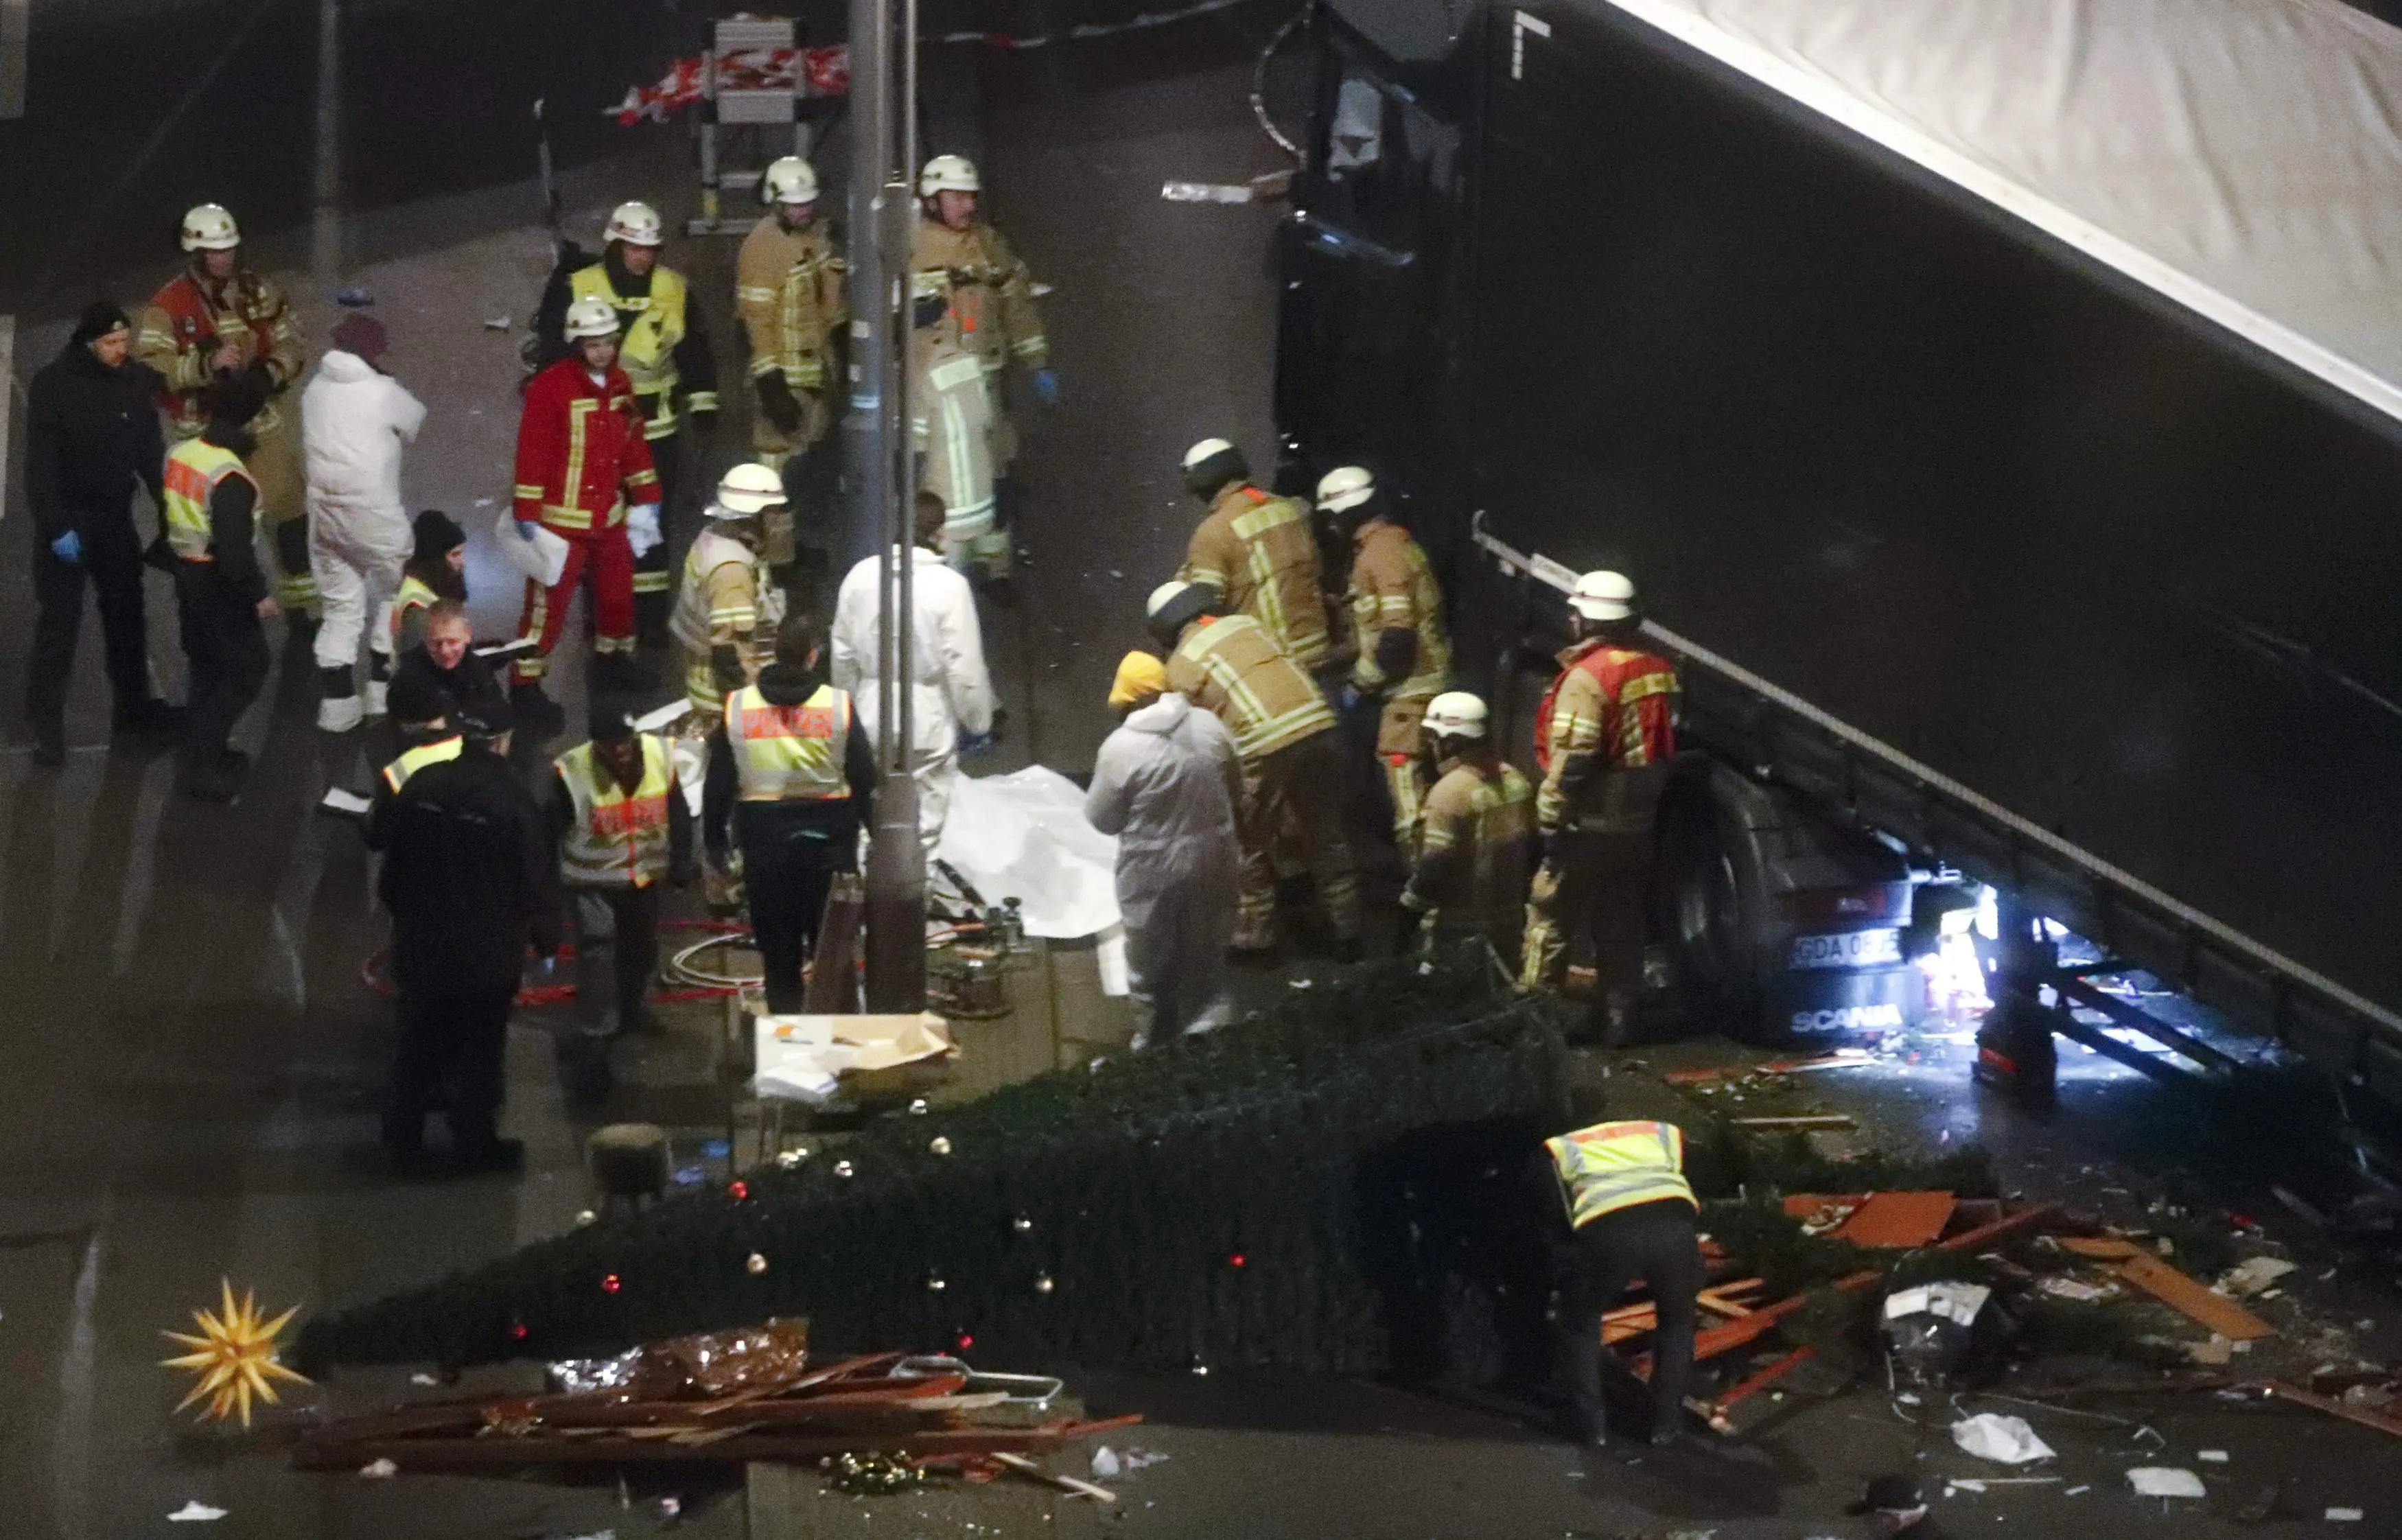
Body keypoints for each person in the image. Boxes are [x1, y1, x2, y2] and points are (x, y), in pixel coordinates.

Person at [366, 699, 559, 1175]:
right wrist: (546, 939)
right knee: (480, 1050)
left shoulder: (421, 786)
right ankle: (473, 1143)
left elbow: (391, 877)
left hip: (423, 946)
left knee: (416, 1044)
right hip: (486, 952)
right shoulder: (512, 799)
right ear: (502, 742)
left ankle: (402, 1144)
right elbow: (534, 880)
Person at [537, 200, 719, 642]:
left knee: (651, 523)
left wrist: (704, 402)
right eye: (634, 248)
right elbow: (553, 356)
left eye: (650, 249)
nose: (644, 257)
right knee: (596, 523)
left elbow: (695, 349)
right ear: (615, 246)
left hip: (656, 428)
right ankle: (603, 616)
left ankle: (649, 617)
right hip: (596, 431)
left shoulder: (674, 289)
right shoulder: (578, 286)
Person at [1147, 581, 1358, 959]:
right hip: (1318, 723)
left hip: (1263, 744)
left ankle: (1257, 939)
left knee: (1249, 840)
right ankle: (1349, 931)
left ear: (1166, 628)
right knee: (1327, 832)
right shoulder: (1250, 625)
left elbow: (1190, 732)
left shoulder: (1180, 664)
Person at [135, 202, 318, 628]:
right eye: (215, 252)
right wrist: (204, 366)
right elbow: (149, 367)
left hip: (261, 422)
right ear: (195, 254)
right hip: (205, 434)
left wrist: (268, 374)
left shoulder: (257, 291)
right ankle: (234, 607)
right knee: (220, 528)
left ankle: (302, 605)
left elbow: (291, 337)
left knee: (289, 507)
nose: (225, 258)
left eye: (230, 249)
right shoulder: (169, 306)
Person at [1521, 571, 1681, 1032]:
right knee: (1621, 922)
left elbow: (1576, 758)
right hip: (1637, 826)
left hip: (1586, 827)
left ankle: (1534, 1026)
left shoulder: (1587, 679)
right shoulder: (1659, 670)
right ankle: (1619, 1020)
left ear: (1584, 621)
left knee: (1550, 920)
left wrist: (1550, 817)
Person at [23, 300, 180, 765]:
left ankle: (133, 712)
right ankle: (45, 726)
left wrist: (168, 508)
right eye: (111, 342)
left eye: (123, 341)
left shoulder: (132, 384)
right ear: (90, 342)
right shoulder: (53, 385)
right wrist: (55, 526)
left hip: (113, 519)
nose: (120, 349)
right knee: (59, 627)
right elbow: (42, 465)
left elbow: (151, 453)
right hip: (70, 520)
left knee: (127, 619)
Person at [704, 614, 876, 1013]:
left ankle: (788, 1043)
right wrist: (876, 833)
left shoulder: (739, 708)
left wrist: (715, 842)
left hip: (765, 846)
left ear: (775, 655)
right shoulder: (837, 706)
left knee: (778, 951)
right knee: (831, 946)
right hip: (829, 844)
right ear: (813, 656)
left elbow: (718, 786)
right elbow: (864, 778)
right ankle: (838, 1040)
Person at [509, 293, 661, 725]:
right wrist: (528, 509)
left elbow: (633, 445)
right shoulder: (551, 389)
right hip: (560, 526)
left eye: (609, 342)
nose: (603, 351)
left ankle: (614, 665)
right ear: (577, 344)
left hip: (608, 520)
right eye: (594, 344)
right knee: (546, 610)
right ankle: (525, 687)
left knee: (617, 600)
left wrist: (647, 498)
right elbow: (534, 451)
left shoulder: (620, 386)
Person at [1085, 651, 1243, 1047]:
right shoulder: (1208, 725)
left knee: (1148, 956)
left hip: (1151, 868)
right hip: (1215, 854)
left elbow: (1102, 819)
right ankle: (1212, 1035)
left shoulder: (1120, 748)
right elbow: (1236, 784)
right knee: (1207, 948)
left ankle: (1154, 1040)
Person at [913, 154, 1056, 574]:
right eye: (957, 197)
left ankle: (996, 564)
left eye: (971, 197)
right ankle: (940, 563)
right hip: (936, 392)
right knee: (939, 480)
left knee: (997, 473)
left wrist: (1037, 362)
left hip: (987, 384)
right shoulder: (914, 248)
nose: (969, 207)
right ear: (933, 199)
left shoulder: (990, 244)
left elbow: (1016, 304)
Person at [550, 697, 695, 1099]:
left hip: (642, 877)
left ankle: (631, 1010)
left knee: (641, 949)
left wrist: (683, 861)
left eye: (625, 742)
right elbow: (550, 831)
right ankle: (596, 1033)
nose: (620, 751)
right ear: (596, 743)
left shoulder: (660, 756)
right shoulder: (571, 771)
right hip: (591, 879)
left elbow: (677, 812)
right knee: (598, 950)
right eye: (611, 744)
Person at [830, 492, 996, 842]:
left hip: (871, 711)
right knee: (926, 824)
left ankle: (867, 881)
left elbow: (842, 655)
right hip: (927, 717)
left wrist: (848, 712)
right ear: (938, 533)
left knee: (870, 815)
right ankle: (917, 889)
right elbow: (963, 666)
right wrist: (978, 720)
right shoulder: (950, 587)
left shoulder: (859, 578)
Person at [1530, 1115, 1704, 1448]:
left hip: (1607, 1235)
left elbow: (1550, 1210)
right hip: (1675, 1231)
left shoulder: (1562, 1147)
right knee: (1678, 1321)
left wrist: (1565, 1259)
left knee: (1580, 1324)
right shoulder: (1659, 1133)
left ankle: (1589, 1427)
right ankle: (1665, 1424)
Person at [301, 313, 427, 732]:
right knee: (397, 596)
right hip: (375, 517)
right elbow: (415, 421)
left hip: (325, 518)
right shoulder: (381, 392)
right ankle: (380, 690)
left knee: (340, 606)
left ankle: (337, 704)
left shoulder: (314, 389)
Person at [162, 372, 277, 801]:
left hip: (187, 576)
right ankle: (205, 760)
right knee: (248, 668)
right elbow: (234, 552)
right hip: (219, 587)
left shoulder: (183, 452)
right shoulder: (231, 478)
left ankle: (199, 750)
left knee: (207, 668)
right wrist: (259, 595)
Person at [1323, 466, 1449, 846]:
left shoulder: (1381, 555)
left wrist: (1361, 684)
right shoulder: (1392, 545)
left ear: (1346, 514)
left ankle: (1422, 879)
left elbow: (1397, 637)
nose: (1330, 528)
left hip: (1412, 688)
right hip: (1423, 681)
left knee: (1403, 779)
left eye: (1331, 518)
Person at [736, 155, 845, 573]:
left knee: (802, 472)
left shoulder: (816, 239)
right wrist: (771, 386)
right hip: (782, 380)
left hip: (814, 375)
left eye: (808, 203)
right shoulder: (761, 249)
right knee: (775, 475)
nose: (804, 211)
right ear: (776, 204)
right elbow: (756, 322)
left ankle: (791, 550)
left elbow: (828, 302)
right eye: (796, 205)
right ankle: (776, 562)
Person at [1397, 692, 1535, 965]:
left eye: (1434, 739)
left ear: (1449, 742)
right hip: (1509, 930)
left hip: (1459, 936)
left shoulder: (1449, 793)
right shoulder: (1517, 780)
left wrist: (1404, 921)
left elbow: (1435, 869)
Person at [1176, 439, 1329, 671]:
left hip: (1275, 661)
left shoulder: (1212, 533)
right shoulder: (1291, 510)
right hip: (1319, 649)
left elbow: (1205, 611)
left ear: (1202, 483)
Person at [671, 463, 784, 727]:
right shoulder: (731, 570)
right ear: (754, 516)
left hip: (712, 684)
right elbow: (730, 652)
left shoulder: (719, 537)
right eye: (773, 513)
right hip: (726, 699)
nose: (779, 520)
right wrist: (750, 704)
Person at [390, 598, 508, 731]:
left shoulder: (477, 667)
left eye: (452, 642)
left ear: (467, 636)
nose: (445, 651)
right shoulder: (409, 676)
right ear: (425, 639)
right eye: (436, 643)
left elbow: (502, 716)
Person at [390, 509, 466, 656]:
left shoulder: (433, 589)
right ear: (436, 560)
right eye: (455, 555)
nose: (463, 562)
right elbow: (417, 665)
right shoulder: (417, 607)